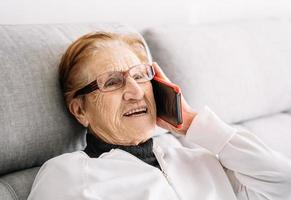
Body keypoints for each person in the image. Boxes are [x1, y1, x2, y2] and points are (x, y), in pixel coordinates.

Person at [28, 31, 291, 200]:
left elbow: (284, 184)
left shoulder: (202, 159)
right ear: (80, 110)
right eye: (111, 82)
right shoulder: (67, 175)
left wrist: (190, 122)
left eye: (140, 76)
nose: (135, 91)